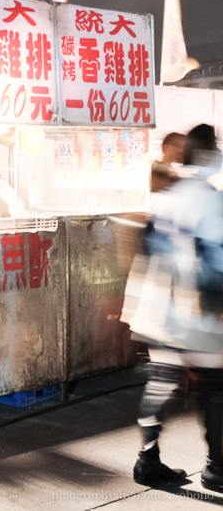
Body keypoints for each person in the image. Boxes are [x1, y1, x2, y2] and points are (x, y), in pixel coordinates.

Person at [126, 124, 223, 490]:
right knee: (215, 387)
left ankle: (147, 462)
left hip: (157, 308)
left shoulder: (166, 197)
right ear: (209, 155)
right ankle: (217, 469)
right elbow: (215, 260)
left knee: (160, 382)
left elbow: (146, 246)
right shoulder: (212, 200)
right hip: (197, 310)